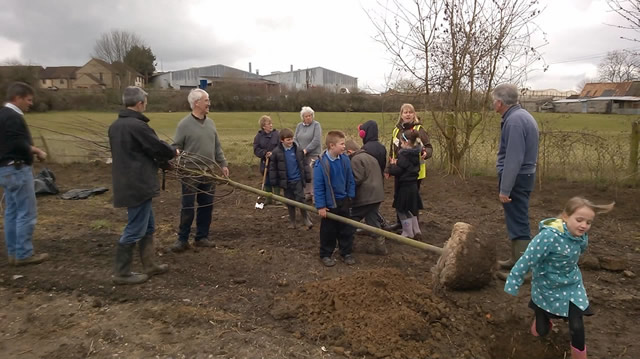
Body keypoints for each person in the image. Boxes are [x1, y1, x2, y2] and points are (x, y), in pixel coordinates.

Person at [504, 197, 614, 359]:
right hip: (546, 285)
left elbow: (580, 250)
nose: (584, 225)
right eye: (579, 220)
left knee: (576, 325)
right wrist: (514, 281)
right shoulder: (548, 237)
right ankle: (543, 318)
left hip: (571, 285)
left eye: (588, 222)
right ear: (565, 216)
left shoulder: (581, 236)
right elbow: (528, 258)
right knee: (541, 331)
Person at [108, 86, 176, 285]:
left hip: (128, 181)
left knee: (148, 225)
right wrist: (172, 152)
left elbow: (138, 152)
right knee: (136, 227)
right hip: (137, 183)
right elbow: (155, 147)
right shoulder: (137, 126)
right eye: (145, 101)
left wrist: (162, 163)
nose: (146, 104)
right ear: (140, 103)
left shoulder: (116, 126)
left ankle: (150, 264)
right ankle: (121, 273)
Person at [171, 89, 229, 253]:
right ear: (196, 103)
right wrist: (176, 158)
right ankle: (182, 239)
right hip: (190, 173)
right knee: (188, 207)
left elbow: (217, 146)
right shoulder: (184, 125)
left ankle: (202, 237)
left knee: (207, 205)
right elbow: (176, 147)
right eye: (206, 100)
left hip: (208, 172)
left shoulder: (211, 123)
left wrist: (223, 163)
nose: (209, 103)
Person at [493, 84, 540, 280]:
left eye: (493, 101)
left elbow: (514, 158)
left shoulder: (514, 122)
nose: (493, 104)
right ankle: (516, 260)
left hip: (518, 178)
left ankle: (524, 271)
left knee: (519, 220)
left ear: (499, 102)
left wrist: (505, 188)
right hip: (523, 176)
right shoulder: (520, 116)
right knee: (516, 219)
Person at [0, 82, 49, 266]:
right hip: (17, 169)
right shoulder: (13, 117)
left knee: (12, 212)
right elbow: (17, 143)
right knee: (26, 212)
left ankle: (13, 253)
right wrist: (36, 151)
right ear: (17, 98)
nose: (30, 104)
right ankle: (24, 253)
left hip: (4, 169)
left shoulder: (1, 115)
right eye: (28, 100)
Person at [386, 104, 432, 231]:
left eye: (410, 112)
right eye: (405, 112)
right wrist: (388, 168)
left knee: (411, 201)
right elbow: (392, 151)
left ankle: (412, 227)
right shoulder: (396, 130)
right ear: (401, 115)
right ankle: (400, 223)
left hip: (414, 173)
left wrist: (426, 153)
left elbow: (429, 147)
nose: (407, 114)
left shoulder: (419, 130)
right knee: (398, 197)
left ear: (414, 114)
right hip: (399, 170)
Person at [314, 130, 356, 267]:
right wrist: (320, 206)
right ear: (332, 146)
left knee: (346, 228)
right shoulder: (321, 164)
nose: (344, 147)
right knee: (328, 230)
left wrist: (350, 196)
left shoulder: (344, 159)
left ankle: (346, 252)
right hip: (329, 203)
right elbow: (318, 187)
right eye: (342, 144)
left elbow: (350, 179)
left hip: (344, 200)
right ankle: (326, 254)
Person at [345, 140, 387, 255]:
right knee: (372, 219)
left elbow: (357, 179)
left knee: (351, 219)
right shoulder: (370, 157)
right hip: (377, 194)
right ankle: (380, 246)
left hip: (366, 197)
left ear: (349, 151)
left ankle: (347, 245)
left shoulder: (355, 160)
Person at [269, 128, 313, 229]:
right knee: (289, 201)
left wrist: (307, 176)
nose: (290, 141)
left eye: (291, 139)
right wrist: (274, 181)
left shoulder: (298, 150)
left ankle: (305, 218)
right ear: (282, 140)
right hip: (286, 181)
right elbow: (273, 168)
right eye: (288, 140)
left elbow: (304, 164)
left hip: (297, 180)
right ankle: (292, 221)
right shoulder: (276, 152)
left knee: (301, 200)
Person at [387, 130, 423, 240]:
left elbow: (398, 171)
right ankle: (416, 230)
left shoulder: (403, 154)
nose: (400, 145)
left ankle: (407, 232)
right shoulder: (416, 153)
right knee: (409, 209)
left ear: (406, 143)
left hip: (404, 186)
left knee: (401, 209)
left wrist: (392, 165)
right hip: (412, 185)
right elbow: (407, 167)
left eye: (401, 143)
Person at [294, 106, 322, 202]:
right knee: (305, 174)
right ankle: (307, 193)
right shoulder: (299, 126)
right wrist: (299, 150)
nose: (308, 117)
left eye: (310, 116)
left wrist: (306, 150)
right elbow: (295, 139)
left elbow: (316, 140)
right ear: (303, 117)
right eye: (306, 116)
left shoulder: (316, 125)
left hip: (313, 154)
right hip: (302, 155)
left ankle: (315, 195)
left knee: (314, 174)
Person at [253, 115, 280, 205]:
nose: (271, 125)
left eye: (271, 123)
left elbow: (280, 146)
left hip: (275, 162)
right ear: (263, 126)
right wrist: (265, 153)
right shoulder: (258, 136)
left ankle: (278, 198)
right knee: (267, 180)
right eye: (269, 124)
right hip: (265, 162)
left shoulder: (277, 134)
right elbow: (256, 149)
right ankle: (268, 199)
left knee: (276, 180)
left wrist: (274, 153)